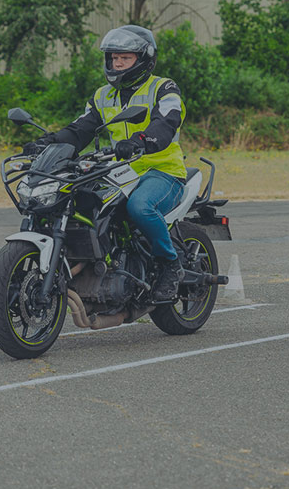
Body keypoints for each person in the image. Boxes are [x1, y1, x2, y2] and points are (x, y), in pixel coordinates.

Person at [25, 25, 188, 304]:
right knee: (78, 201)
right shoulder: (103, 96)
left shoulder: (164, 88)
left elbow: (167, 121)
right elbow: (80, 129)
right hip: (119, 171)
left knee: (141, 207)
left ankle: (170, 265)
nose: (118, 63)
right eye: (113, 58)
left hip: (161, 170)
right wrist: (49, 142)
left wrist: (141, 139)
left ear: (144, 60)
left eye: (125, 58)